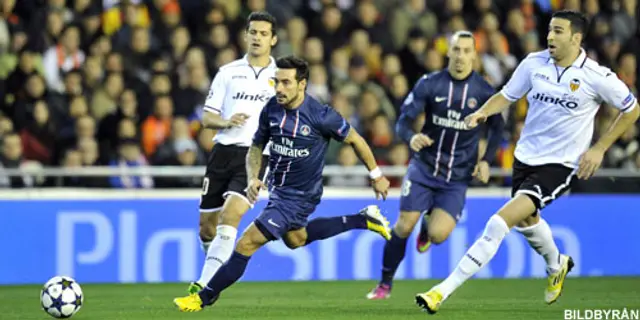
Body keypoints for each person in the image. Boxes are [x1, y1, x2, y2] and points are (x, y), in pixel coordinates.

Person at [416, 10, 639, 314]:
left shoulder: (597, 76)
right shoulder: (533, 64)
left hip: (560, 165)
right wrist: (482, 112)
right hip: (524, 158)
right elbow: (507, 95)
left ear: (576, 38)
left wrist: (599, 148)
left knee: (498, 223)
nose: (550, 36)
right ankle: (556, 264)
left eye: (558, 31)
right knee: (526, 220)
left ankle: (440, 292)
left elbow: (632, 109)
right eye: (549, 30)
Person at [173, 55, 393, 312]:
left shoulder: (321, 116)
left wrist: (376, 175)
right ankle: (364, 219)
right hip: (278, 191)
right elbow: (256, 146)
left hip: (300, 195)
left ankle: (203, 297)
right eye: (276, 81)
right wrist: (254, 176)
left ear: (302, 85)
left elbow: (356, 140)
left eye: (286, 83)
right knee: (296, 239)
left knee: (246, 242)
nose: (279, 88)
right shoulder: (271, 109)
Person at [366, 31, 504, 300]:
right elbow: (402, 122)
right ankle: (384, 284)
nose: (461, 56)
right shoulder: (430, 84)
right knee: (404, 225)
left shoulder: (485, 92)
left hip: (457, 177)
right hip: (424, 168)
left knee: (440, 235)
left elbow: (499, 128)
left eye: (467, 50)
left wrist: (487, 162)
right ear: (448, 53)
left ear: (474, 55)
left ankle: (428, 227)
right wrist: (411, 137)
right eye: (456, 50)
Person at [188, 11, 278, 294]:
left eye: (264, 34)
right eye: (253, 32)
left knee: (232, 215)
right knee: (207, 228)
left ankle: (205, 286)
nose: (257, 38)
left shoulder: (281, 77)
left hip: (255, 156)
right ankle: (215, 268)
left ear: (273, 40)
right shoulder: (228, 72)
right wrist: (227, 121)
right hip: (222, 153)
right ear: (245, 35)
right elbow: (206, 118)